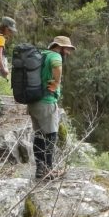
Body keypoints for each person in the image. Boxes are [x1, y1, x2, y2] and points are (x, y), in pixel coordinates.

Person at [29, 36, 76, 180]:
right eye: (66, 49)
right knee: (51, 135)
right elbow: (57, 65)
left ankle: (39, 169)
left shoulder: (42, 54)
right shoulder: (55, 56)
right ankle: (48, 170)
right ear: (60, 47)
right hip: (46, 102)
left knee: (39, 135)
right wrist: (56, 82)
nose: (67, 52)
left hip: (33, 100)